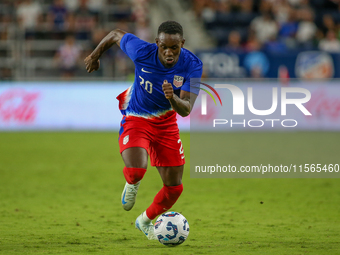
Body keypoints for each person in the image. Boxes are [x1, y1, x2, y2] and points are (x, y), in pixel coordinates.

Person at [84, 21, 202, 240]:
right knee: (138, 169)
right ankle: (132, 183)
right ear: (157, 43)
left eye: (174, 48)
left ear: (182, 44)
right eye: (164, 46)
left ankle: (144, 221)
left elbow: (186, 109)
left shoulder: (192, 65)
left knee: (174, 188)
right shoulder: (142, 51)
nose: (168, 52)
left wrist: (172, 97)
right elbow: (115, 34)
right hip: (137, 117)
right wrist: (94, 55)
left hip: (166, 125)